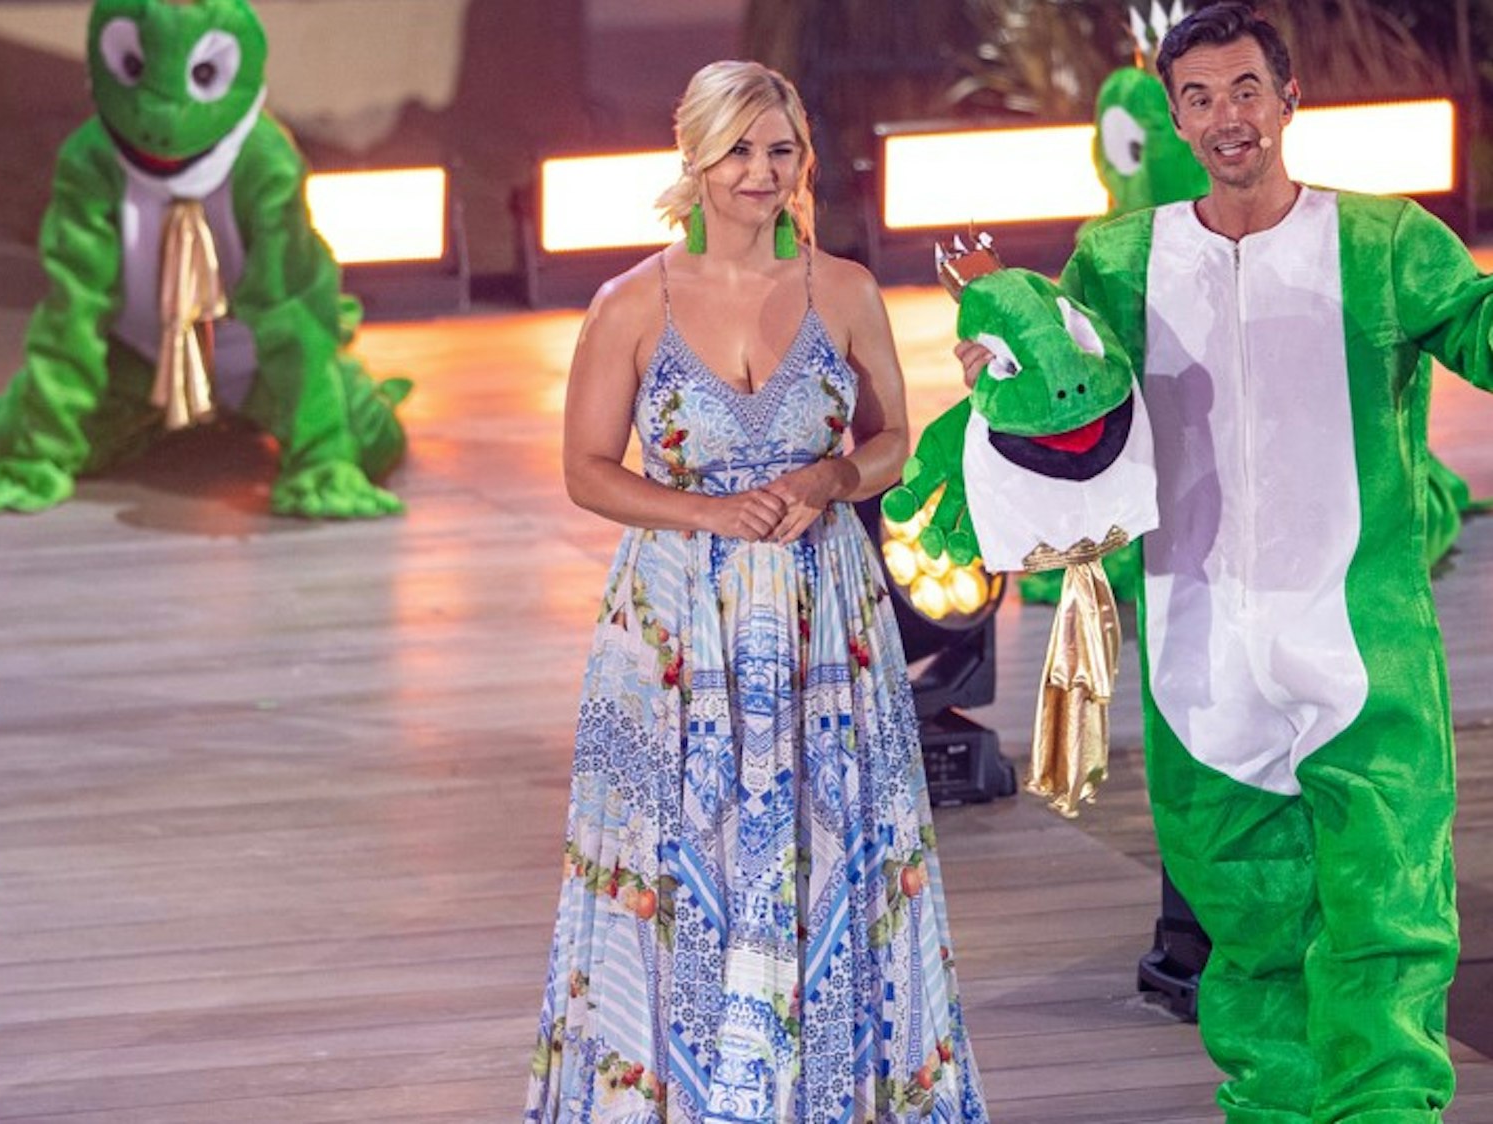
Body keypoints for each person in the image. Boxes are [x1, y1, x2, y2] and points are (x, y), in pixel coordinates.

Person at [944, 4, 1493, 1119]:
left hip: (1357, 647)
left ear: (1289, 100)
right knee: (1248, 931)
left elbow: (1480, 328)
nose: (1225, 117)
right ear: (1177, 119)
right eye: (1198, 98)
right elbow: (1066, 396)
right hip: (1197, 649)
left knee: (1386, 915)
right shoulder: (1120, 257)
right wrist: (999, 358)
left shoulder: (1382, 241)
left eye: (1245, 89)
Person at [525, 60, 989, 1122]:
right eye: (738, 149)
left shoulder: (846, 288)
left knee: (827, 847)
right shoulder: (631, 303)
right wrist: (710, 513)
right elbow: (586, 469)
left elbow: (891, 441)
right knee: (679, 856)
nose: (761, 172)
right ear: (693, 154)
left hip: (826, 617)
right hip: (676, 625)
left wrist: (831, 475)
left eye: (779, 149)